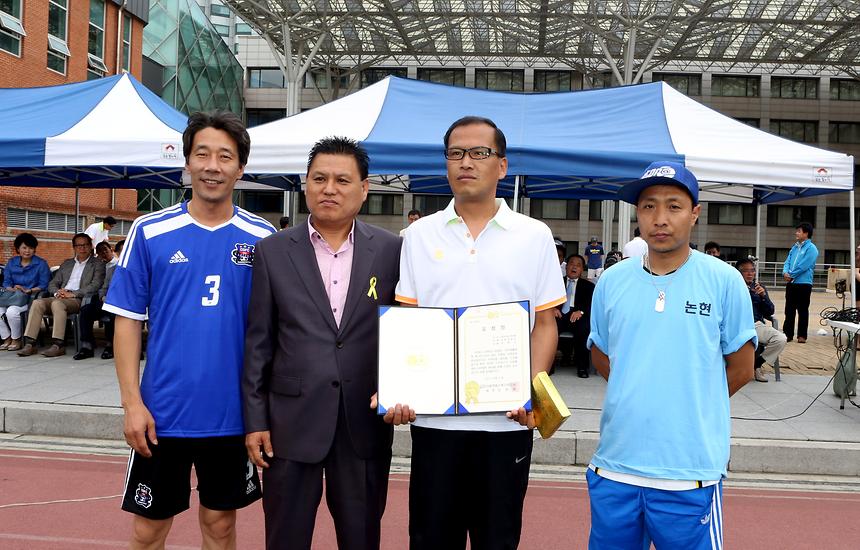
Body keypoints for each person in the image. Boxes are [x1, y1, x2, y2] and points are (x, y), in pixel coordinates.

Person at [389, 116, 565, 550]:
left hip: (506, 425)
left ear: (502, 166)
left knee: (498, 540)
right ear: (446, 164)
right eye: (456, 153)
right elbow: (409, 322)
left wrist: (530, 392)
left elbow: (545, 324)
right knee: (431, 540)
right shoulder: (417, 235)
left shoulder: (535, 236)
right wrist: (399, 387)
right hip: (435, 424)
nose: (466, 162)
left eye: (479, 153)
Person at [103, 111, 272, 549]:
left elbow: (275, 329)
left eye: (225, 156)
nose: (213, 166)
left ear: (241, 168)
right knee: (148, 529)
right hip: (162, 415)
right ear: (187, 162)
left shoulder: (263, 237)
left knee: (220, 525)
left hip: (233, 416)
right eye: (203, 154)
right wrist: (131, 405)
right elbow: (127, 320)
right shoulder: (149, 229)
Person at [587, 161, 756, 549]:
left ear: (695, 213)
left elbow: (743, 368)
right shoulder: (612, 280)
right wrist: (639, 389)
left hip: (689, 473)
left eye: (673, 206)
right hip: (616, 468)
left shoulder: (724, 280)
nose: (660, 218)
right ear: (637, 214)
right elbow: (600, 354)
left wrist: (688, 402)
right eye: (648, 206)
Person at [242, 137, 400, 550]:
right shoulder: (273, 251)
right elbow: (259, 342)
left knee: (362, 536)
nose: (330, 188)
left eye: (342, 180)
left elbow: (403, 333)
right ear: (305, 184)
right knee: (285, 537)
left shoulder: (392, 251)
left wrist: (401, 390)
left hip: (363, 423)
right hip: (290, 422)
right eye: (320, 178)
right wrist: (255, 420)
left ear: (364, 189)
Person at [17, 233, 105, 358]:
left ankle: (58, 344)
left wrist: (73, 294)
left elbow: (96, 284)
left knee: (57, 304)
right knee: (37, 303)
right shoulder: (67, 263)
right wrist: (57, 292)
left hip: (78, 299)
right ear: (74, 247)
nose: (82, 248)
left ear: (91, 246)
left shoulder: (97, 264)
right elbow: (53, 283)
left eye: (85, 245)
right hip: (60, 296)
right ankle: (30, 343)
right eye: (79, 245)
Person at [736, 258, 786, 383]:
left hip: (756, 325)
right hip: (736, 325)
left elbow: (770, 311)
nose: (750, 274)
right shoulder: (732, 286)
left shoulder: (759, 287)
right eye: (745, 271)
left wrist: (763, 296)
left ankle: (756, 365)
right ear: (738, 272)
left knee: (780, 339)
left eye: (752, 271)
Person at [0, 233, 51, 352]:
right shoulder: (12, 262)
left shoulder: (41, 264)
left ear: (34, 249)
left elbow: (44, 284)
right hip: (11, 296)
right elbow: (6, 282)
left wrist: (29, 290)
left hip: (29, 299)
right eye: (24, 247)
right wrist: (10, 288)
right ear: (18, 249)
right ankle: (6, 338)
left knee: (12, 312)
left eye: (31, 248)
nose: (27, 251)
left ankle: (16, 339)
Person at [75, 241, 124, 360]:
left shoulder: (140, 269)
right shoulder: (113, 270)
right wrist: (103, 297)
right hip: (108, 301)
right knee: (86, 310)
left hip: (126, 304)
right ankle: (87, 345)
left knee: (112, 312)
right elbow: (104, 287)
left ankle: (110, 345)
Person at [555, 254, 594, 378]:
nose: (574, 267)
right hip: (559, 314)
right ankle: (548, 366)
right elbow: (546, 298)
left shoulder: (588, 286)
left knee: (584, 329)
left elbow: (592, 305)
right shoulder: (556, 283)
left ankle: (582, 367)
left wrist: (581, 311)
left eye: (578, 265)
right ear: (566, 267)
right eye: (572, 264)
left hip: (577, 315)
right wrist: (553, 309)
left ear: (582, 269)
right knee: (549, 328)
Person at [782, 222, 818, 343]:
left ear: (806, 233)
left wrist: (791, 275)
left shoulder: (812, 248)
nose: (796, 233)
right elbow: (787, 262)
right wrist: (785, 273)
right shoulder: (794, 247)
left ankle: (802, 335)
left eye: (799, 231)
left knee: (802, 310)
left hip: (804, 284)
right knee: (789, 309)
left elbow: (804, 265)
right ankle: (787, 334)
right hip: (791, 283)